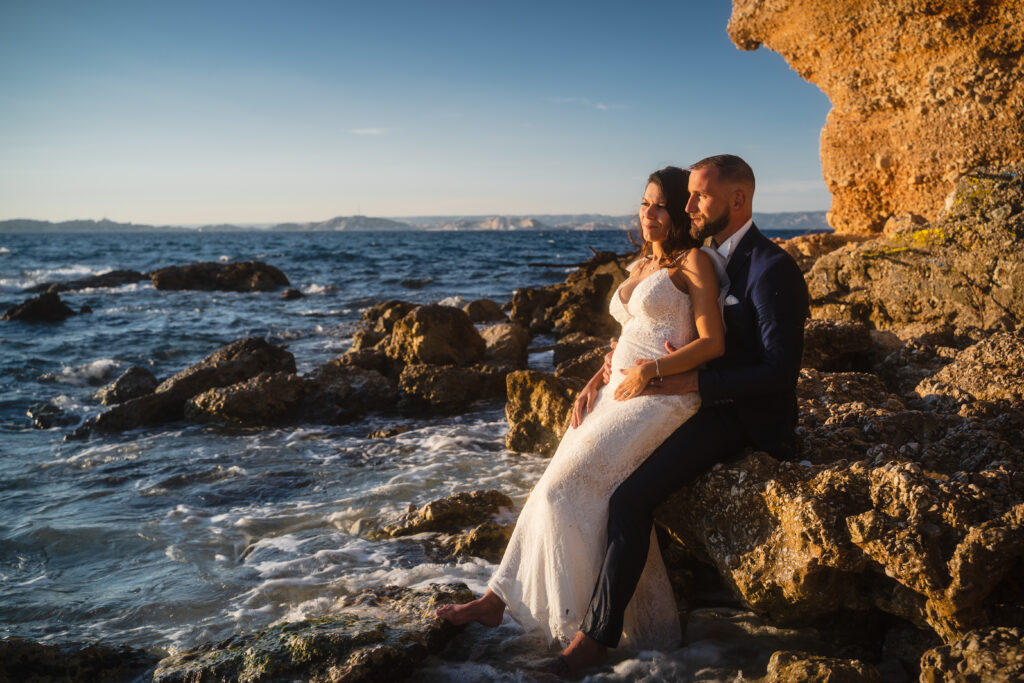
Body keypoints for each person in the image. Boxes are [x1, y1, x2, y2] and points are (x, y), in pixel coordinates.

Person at [435, 166, 727, 656]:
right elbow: (629, 335)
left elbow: (713, 343)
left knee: (564, 492)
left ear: (679, 212)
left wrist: (650, 371)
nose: (649, 213)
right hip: (615, 390)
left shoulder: (692, 262)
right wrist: (596, 378)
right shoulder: (641, 264)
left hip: (663, 396)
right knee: (550, 489)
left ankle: (584, 624)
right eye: (644, 203)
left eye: (661, 206)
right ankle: (496, 599)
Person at [555, 154, 811, 674]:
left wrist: (690, 379)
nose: (688, 206)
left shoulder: (772, 267)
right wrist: (611, 369)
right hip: (692, 400)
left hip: (742, 416)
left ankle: (593, 642)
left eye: (701, 197)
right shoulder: (708, 257)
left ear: (738, 200)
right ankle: (562, 604)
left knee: (629, 499)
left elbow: (780, 375)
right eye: (688, 197)